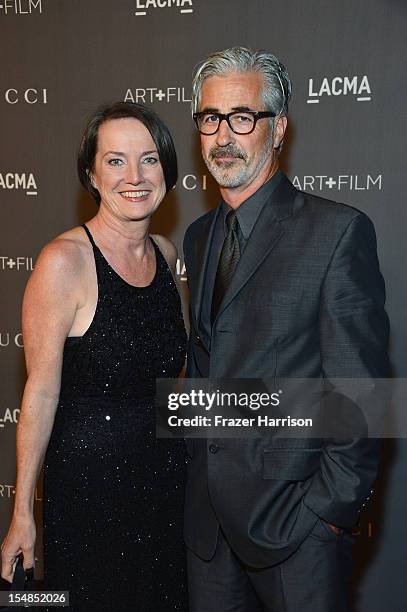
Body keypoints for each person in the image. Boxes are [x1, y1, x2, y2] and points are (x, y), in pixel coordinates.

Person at [183, 47, 390, 611]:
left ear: (278, 130)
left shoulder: (337, 233)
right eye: (210, 118)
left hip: (297, 532)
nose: (223, 136)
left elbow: (362, 396)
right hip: (208, 530)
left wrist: (325, 513)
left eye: (242, 117)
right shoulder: (199, 237)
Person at [1, 101, 188, 610]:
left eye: (149, 159)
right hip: (90, 495)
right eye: (115, 160)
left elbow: (173, 380)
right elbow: (39, 392)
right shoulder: (64, 262)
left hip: (166, 487)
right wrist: (22, 513)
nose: (135, 176)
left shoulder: (168, 257)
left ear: (167, 172)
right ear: (91, 174)